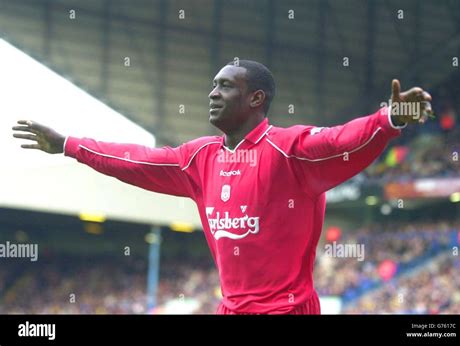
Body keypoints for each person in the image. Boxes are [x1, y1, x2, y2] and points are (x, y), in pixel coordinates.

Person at [12, 60, 433, 314]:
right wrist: (68, 145)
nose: (212, 93)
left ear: (256, 99)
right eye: (213, 85)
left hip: (287, 310)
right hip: (230, 308)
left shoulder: (289, 150)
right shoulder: (200, 159)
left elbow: (342, 140)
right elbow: (135, 159)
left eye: (225, 85)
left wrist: (389, 119)